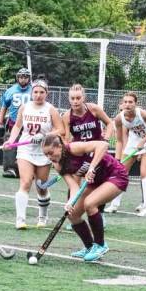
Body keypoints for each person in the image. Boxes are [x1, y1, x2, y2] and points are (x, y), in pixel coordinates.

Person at [42, 134, 128, 262]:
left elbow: (102, 145)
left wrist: (91, 167)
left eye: (51, 152)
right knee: (72, 214)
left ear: (60, 147)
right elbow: (73, 187)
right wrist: (71, 202)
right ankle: (89, 247)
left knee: (90, 203)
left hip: (115, 174)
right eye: (46, 154)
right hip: (95, 181)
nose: (49, 157)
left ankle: (100, 245)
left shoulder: (73, 148)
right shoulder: (58, 164)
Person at [3, 78, 64, 229]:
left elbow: (61, 130)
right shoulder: (24, 107)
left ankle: (42, 216)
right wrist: (11, 141)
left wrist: (46, 135)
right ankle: (20, 219)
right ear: (32, 92)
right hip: (26, 150)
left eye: (41, 92)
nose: (38, 95)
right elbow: (17, 126)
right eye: (35, 92)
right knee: (25, 182)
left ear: (46, 93)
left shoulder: (51, 109)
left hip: (44, 152)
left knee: (41, 186)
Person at [62, 83, 114, 229]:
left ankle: (100, 214)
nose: (75, 101)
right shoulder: (67, 116)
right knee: (74, 182)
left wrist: (106, 139)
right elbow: (66, 139)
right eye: (72, 98)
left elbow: (110, 123)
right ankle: (73, 216)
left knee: (97, 182)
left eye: (78, 98)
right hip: (79, 154)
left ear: (83, 97)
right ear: (69, 99)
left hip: (97, 152)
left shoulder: (94, 109)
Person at [105, 92, 146, 217]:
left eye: (130, 102)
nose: (127, 104)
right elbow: (119, 141)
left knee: (144, 173)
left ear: (135, 104)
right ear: (122, 104)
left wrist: (143, 141)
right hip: (133, 142)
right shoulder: (119, 118)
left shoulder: (143, 114)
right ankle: (114, 205)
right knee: (121, 172)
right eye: (125, 102)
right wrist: (118, 159)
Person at [0, 68, 32, 178]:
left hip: (30, 124)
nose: (23, 79)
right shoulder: (10, 91)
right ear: (17, 78)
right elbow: (4, 106)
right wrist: (1, 121)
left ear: (29, 78)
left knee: (29, 145)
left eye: (25, 77)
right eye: (21, 77)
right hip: (13, 123)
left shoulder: (34, 91)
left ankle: (29, 169)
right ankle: (10, 168)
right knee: (10, 144)